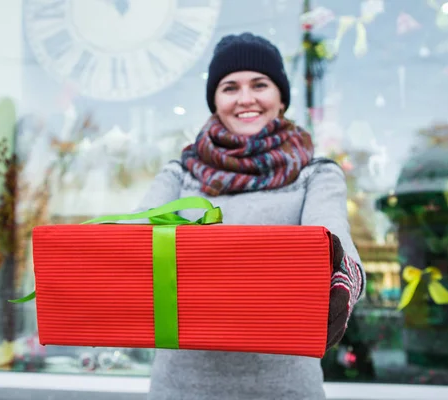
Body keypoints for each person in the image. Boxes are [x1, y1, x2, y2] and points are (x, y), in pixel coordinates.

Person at [136, 32, 365, 400]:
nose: (246, 99)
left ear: (281, 98)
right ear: (214, 100)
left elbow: (335, 242)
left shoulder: (313, 174)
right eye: (230, 87)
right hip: (181, 388)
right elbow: (132, 238)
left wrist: (342, 281)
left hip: (286, 388)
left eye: (260, 84)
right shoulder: (180, 174)